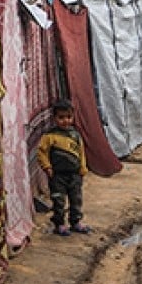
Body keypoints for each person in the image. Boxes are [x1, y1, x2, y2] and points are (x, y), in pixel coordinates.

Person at [36, 99, 90, 236]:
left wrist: (82, 168)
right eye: (61, 117)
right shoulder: (49, 136)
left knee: (76, 199)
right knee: (58, 200)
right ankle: (59, 224)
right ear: (54, 118)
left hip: (74, 174)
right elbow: (42, 152)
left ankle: (75, 222)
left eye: (68, 117)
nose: (65, 121)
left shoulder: (75, 135)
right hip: (58, 175)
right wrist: (47, 167)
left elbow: (81, 152)